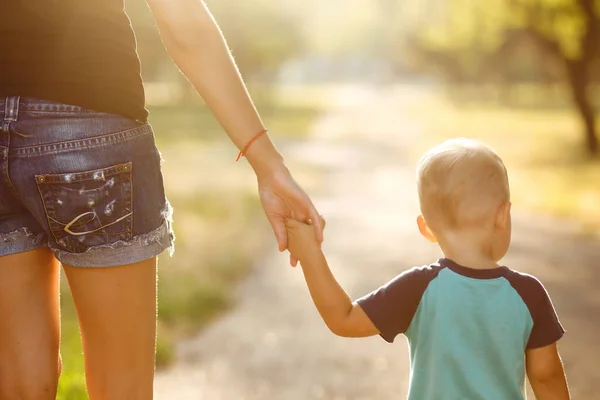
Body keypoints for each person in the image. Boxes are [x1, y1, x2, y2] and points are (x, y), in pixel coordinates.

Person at [0, 0, 322, 399]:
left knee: (18, 388)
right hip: (90, 120)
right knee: (123, 390)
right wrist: (268, 165)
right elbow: (182, 20)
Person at [285, 138, 570, 399]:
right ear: (502, 215)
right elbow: (546, 377)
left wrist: (311, 255)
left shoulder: (418, 288)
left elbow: (344, 318)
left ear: (427, 229)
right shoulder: (528, 295)